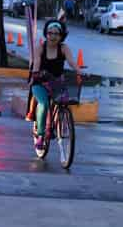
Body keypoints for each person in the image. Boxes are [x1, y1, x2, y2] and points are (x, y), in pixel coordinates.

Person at [25, 20, 82, 150]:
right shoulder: (40, 47)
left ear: (61, 36)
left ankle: (57, 123)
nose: (53, 36)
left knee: (64, 101)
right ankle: (40, 135)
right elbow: (36, 64)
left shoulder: (64, 48)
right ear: (46, 34)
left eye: (57, 34)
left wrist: (79, 71)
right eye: (50, 33)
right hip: (39, 81)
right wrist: (35, 74)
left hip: (56, 82)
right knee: (44, 104)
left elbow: (72, 62)